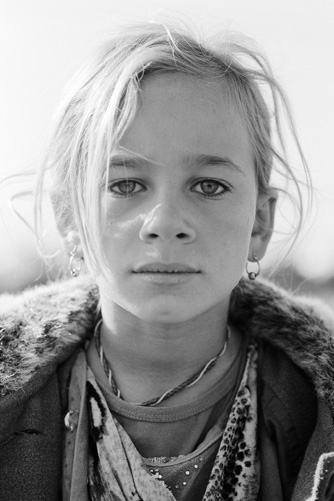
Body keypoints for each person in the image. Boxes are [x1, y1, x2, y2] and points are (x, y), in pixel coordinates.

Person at [1, 21, 334, 501]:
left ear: (259, 223)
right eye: (126, 185)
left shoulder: (313, 408)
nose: (166, 222)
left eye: (209, 186)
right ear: (71, 217)